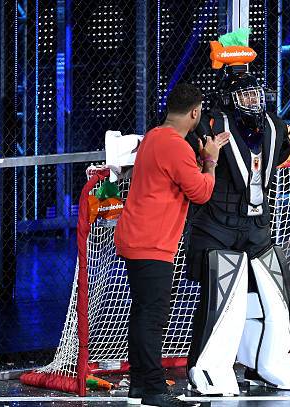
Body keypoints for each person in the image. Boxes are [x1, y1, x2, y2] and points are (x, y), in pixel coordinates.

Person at [183, 29, 290, 396]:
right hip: (217, 229)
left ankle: (270, 360)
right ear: (229, 96)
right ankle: (209, 369)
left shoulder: (273, 125)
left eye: (255, 92)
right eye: (244, 93)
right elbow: (175, 150)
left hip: (258, 227)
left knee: (279, 295)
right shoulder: (208, 124)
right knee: (224, 302)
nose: (252, 99)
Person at [115, 83, 230, 407]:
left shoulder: (155, 136)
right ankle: (153, 389)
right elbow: (201, 192)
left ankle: (140, 384)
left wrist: (203, 154)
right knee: (151, 317)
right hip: (150, 242)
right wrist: (211, 161)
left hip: (138, 237)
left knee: (142, 314)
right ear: (195, 113)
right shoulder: (175, 147)